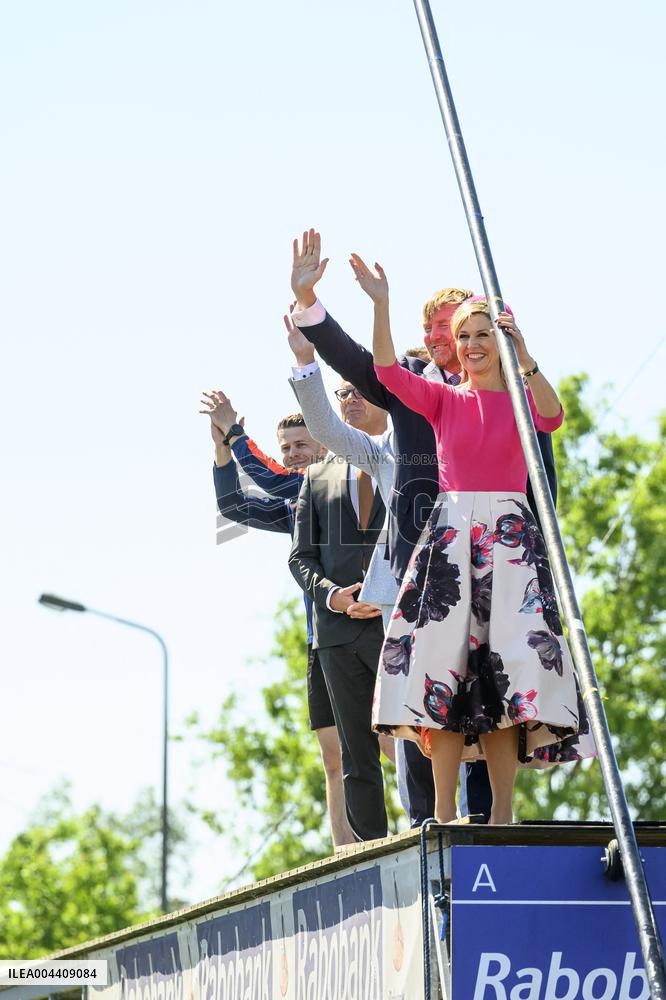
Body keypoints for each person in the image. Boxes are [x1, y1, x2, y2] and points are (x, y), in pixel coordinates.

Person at [288, 230, 530, 823]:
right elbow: (354, 360)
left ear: (481, 332)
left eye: (448, 327)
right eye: (430, 331)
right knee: (427, 699)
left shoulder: (513, 398)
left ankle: (489, 822)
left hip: (499, 561)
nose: (436, 339)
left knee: (492, 690)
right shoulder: (412, 391)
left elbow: (538, 475)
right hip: (425, 569)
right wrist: (309, 308)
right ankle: (429, 824)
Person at [349, 251, 595, 825]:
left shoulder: (521, 401)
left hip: (510, 546)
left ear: (501, 339)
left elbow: (554, 414)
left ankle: (503, 817)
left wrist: (523, 350)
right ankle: (441, 812)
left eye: (485, 334)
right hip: (451, 544)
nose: (474, 345)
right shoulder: (442, 400)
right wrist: (381, 304)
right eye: (466, 336)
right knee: (443, 672)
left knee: (508, 680)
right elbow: (387, 374)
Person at [200, 390, 356, 847]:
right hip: (318, 640)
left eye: (300, 446)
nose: (291, 455)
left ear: (323, 447)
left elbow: (272, 480)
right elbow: (235, 508)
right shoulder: (295, 504)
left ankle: (413, 821)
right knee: (333, 756)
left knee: (386, 744)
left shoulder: (329, 480)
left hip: (363, 633)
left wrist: (235, 432)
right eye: (285, 447)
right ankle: (344, 849)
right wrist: (221, 450)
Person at [288, 398, 390, 841]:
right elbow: (301, 558)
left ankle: (426, 827)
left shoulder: (408, 461)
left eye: (358, 389)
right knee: (355, 755)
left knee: (417, 740)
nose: (349, 399)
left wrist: (385, 596)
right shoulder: (316, 477)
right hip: (338, 633)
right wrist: (335, 598)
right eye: (342, 391)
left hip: (398, 626)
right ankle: (372, 851)